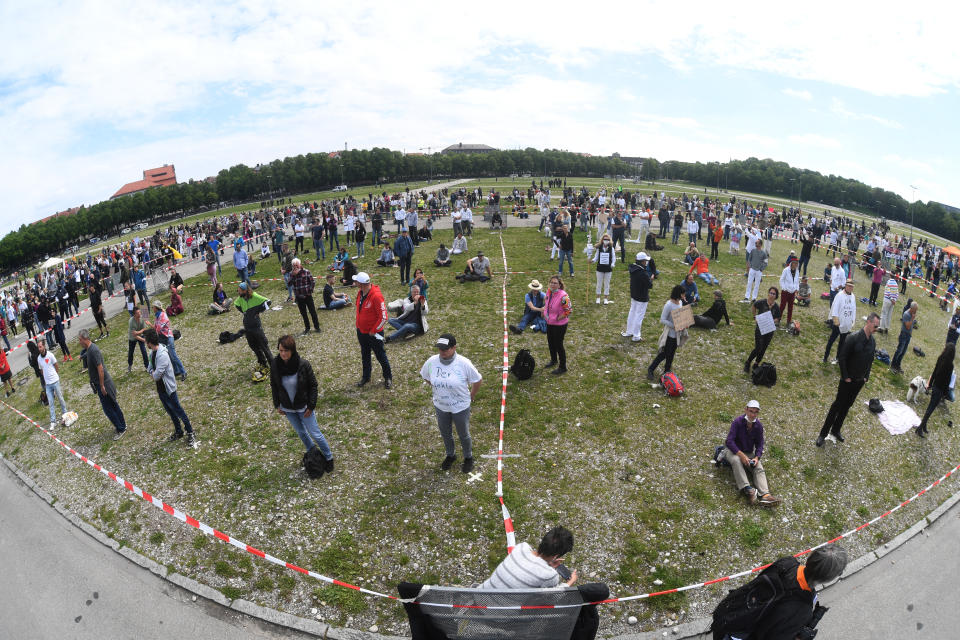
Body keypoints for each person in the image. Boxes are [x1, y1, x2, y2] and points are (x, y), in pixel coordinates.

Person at [710, 544, 848, 640]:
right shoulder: (801, 610)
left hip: (730, 616)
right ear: (828, 578)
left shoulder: (787, 563)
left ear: (811, 558)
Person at [269, 334, 335, 471]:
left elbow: (313, 385)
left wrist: (311, 405)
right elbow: (274, 386)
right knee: (301, 432)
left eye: (286, 350)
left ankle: (329, 457)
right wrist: (277, 405)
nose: (283, 354)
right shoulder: (275, 365)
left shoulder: (303, 364)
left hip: (304, 408)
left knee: (315, 433)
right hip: (288, 409)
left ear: (292, 350)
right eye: (280, 350)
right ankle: (313, 451)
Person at [420, 333, 482, 472]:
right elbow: (426, 376)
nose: (442, 352)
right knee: (445, 432)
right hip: (441, 405)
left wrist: (472, 394)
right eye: (440, 349)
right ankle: (450, 455)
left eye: (445, 349)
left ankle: (468, 457)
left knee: (463, 434)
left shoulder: (464, 363)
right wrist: (439, 388)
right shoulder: (431, 361)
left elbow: (477, 380)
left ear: (454, 348)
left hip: (460, 406)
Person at [817, 312, 879, 446]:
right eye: (875, 326)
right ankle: (823, 433)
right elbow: (842, 357)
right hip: (847, 380)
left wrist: (866, 377)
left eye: (877, 327)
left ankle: (836, 429)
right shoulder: (853, 337)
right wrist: (845, 377)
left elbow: (870, 360)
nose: (876, 329)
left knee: (847, 406)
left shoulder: (873, 342)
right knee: (837, 406)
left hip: (859, 382)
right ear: (868, 322)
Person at [718, 400, 782, 506]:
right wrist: (741, 455)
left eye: (755, 412)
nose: (753, 414)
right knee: (736, 461)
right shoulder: (737, 422)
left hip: (748, 452)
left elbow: (760, 443)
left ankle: (765, 495)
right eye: (751, 411)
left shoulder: (758, 426)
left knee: (758, 467)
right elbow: (729, 441)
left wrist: (757, 457)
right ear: (746, 410)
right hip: (733, 451)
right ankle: (748, 490)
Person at [144, 328, 196, 448]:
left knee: (178, 410)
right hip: (161, 390)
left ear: (150, 342)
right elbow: (149, 368)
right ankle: (179, 431)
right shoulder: (152, 353)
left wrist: (152, 372)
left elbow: (156, 376)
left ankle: (190, 431)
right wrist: (152, 371)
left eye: (146, 341)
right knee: (170, 411)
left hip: (169, 389)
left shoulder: (162, 355)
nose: (146, 343)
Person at [481, 526, 577, 589]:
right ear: (556, 556)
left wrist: (547, 562)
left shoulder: (521, 547)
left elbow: (530, 564)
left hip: (478, 595)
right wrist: (569, 583)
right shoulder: (550, 575)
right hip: (498, 615)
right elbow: (553, 597)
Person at [78, 329, 127, 440]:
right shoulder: (90, 349)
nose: (79, 342)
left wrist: (101, 385)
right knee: (112, 405)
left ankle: (121, 428)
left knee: (109, 409)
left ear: (84, 339)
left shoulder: (93, 350)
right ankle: (122, 425)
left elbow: (100, 369)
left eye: (80, 340)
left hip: (104, 384)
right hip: (102, 384)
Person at [353, 272, 392, 389]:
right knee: (365, 355)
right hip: (361, 331)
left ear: (361, 284)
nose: (355, 283)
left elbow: (384, 317)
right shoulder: (360, 293)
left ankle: (388, 377)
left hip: (374, 333)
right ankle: (366, 377)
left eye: (356, 282)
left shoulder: (376, 296)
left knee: (380, 355)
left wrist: (374, 330)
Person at [915, 342, 955, 437]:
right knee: (930, 409)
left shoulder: (940, 358)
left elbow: (934, 372)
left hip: (935, 386)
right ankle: (920, 428)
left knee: (930, 408)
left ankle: (923, 426)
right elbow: (948, 380)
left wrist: (930, 384)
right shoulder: (950, 365)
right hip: (940, 389)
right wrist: (945, 393)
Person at [234, 282, 273, 377]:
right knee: (254, 347)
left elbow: (268, 301)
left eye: (239, 291)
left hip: (256, 327)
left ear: (245, 290)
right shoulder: (240, 299)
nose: (238, 292)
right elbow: (236, 304)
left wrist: (258, 311)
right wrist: (245, 312)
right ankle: (263, 364)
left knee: (264, 346)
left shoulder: (255, 296)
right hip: (247, 327)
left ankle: (273, 366)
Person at [647, 285, 685, 381]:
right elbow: (662, 319)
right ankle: (651, 369)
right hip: (669, 334)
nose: (684, 295)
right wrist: (674, 325)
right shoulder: (669, 305)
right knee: (664, 354)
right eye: (682, 293)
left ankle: (667, 370)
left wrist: (684, 323)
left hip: (677, 334)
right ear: (678, 293)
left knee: (672, 353)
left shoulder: (680, 302)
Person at [744, 287, 781, 372]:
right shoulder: (762, 302)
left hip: (769, 329)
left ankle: (756, 363)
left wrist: (772, 320)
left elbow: (778, 318)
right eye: (770, 293)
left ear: (776, 296)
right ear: (768, 293)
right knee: (758, 347)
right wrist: (755, 317)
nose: (771, 295)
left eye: (773, 294)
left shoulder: (776, 307)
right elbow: (754, 306)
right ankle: (748, 362)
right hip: (760, 328)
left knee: (763, 348)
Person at [823, 279, 857, 365]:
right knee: (831, 340)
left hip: (846, 323)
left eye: (851, 287)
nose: (850, 288)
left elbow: (854, 309)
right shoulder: (840, 295)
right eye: (849, 286)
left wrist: (852, 320)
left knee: (842, 342)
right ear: (845, 286)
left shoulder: (853, 296)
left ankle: (837, 358)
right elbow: (835, 308)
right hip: (838, 323)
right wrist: (836, 320)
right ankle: (825, 357)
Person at [37, 340, 69, 430]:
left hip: (55, 381)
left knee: (61, 399)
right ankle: (53, 421)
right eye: (38, 347)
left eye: (40, 346)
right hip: (48, 385)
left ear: (44, 346)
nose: (39, 348)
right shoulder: (39, 358)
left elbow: (56, 365)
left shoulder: (50, 355)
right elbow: (41, 369)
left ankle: (65, 416)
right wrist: (46, 378)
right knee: (51, 403)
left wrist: (54, 375)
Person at [543, 275, 572, 375]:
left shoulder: (563, 296)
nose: (552, 284)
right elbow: (546, 302)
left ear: (559, 285)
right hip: (549, 322)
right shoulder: (549, 291)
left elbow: (568, 311)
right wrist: (546, 313)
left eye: (555, 283)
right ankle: (553, 360)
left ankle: (563, 367)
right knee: (550, 342)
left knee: (559, 345)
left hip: (559, 325)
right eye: (551, 282)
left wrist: (556, 318)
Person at [151, 299, 186, 380]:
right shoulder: (157, 316)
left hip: (167, 337)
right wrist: (149, 324)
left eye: (153, 307)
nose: (152, 308)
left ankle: (183, 372)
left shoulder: (162, 315)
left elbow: (158, 329)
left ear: (156, 308)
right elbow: (156, 327)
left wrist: (153, 327)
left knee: (173, 356)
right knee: (169, 356)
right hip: (162, 338)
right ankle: (176, 371)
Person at [622, 252, 651, 341]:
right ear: (642, 262)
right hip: (642, 297)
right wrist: (649, 278)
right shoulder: (643, 272)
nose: (646, 263)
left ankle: (629, 331)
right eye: (645, 261)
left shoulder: (633, 269)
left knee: (632, 312)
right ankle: (636, 336)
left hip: (634, 294)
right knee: (639, 316)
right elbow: (649, 285)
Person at [289, 258, 320, 336]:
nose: (295, 267)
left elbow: (312, 282)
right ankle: (307, 328)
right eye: (294, 265)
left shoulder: (306, 271)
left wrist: (310, 291)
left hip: (308, 296)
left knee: (312, 312)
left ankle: (317, 327)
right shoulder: (291, 274)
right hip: (299, 297)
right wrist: (293, 276)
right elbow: (289, 284)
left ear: (300, 264)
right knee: (303, 314)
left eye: (296, 265)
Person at [890, 300, 918, 374]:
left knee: (903, 352)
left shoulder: (912, 314)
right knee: (899, 350)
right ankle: (893, 365)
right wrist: (912, 319)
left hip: (908, 335)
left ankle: (898, 365)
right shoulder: (906, 314)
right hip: (904, 335)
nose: (916, 312)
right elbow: (908, 327)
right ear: (911, 309)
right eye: (915, 310)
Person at [592, 233, 616, 304]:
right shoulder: (599, 248)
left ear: (610, 240)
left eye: (608, 239)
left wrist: (612, 264)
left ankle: (605, 298)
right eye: (605, 239)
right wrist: (592, 261)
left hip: (608, 268)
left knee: (607, 284)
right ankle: (598, 298)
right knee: (599, 283)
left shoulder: (611, 248)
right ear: (602, 240)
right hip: (600, 268)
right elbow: (596, 257)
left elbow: (613, 258)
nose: (606, 241)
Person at [743, 238, 768, 302]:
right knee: (749, 283)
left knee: (757, 285)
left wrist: (761, 269)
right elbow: (749, 259)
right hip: (752, 270)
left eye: (756, 243)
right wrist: (750, 267)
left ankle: (754, 298)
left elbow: (766, 262)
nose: (755, 244)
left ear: (760, 244)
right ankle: (747, 297)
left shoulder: (764, 253)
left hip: (759, 271)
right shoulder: (753, 251)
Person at [127, 305, 150, 372]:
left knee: (144, 351)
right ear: (134, 314)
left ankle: (147, 366)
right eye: (137, 313)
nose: (139, 314)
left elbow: (145, 328)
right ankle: (130, 365)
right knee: (131, 352)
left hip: (140, 335)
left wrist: (139, 332)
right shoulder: (131, 321)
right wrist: (143, 340)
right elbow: (134, 335)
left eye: (140, 312)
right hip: (132, 338)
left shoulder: (142, 318)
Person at [779, 256, 800, 325]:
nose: (796, 264)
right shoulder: (786, 270)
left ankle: (788, 321)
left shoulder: (797, 271)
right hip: (785, 292)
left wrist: (797, 289)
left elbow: (797, 281)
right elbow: (781, 280)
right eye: (795, 263)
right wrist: (784, 288)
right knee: (782, 306)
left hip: (792, 293)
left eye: (797, 263)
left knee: (790, 308)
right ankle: (778, 319)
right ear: (792, 263)